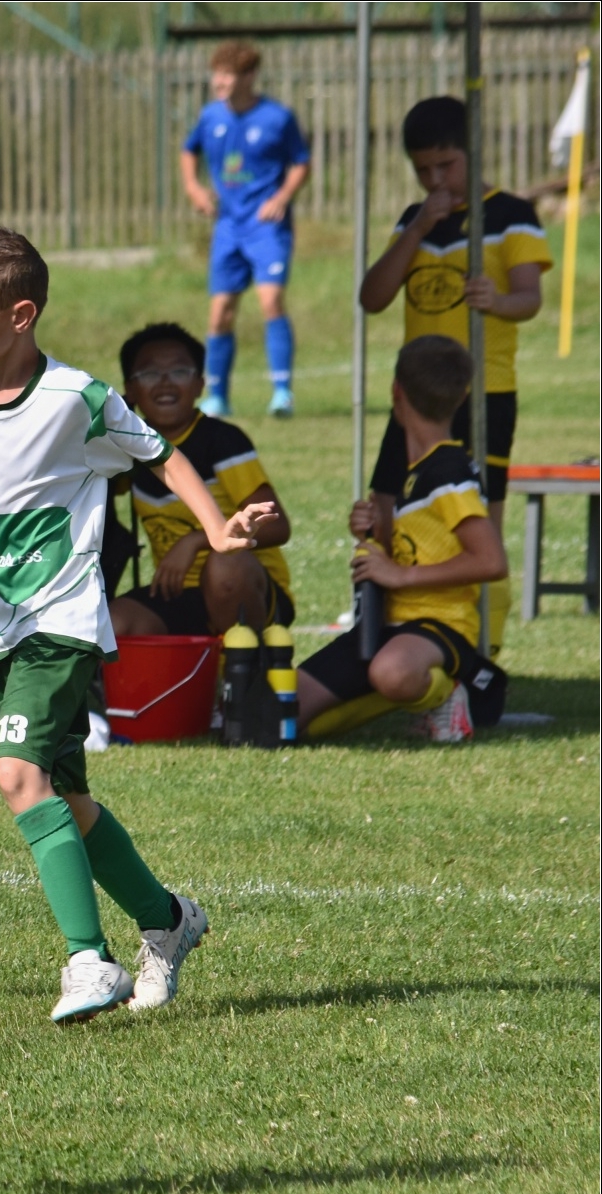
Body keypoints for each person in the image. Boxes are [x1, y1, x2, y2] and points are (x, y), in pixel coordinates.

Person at [0, 229, 275, 1026]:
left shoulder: (76, 398)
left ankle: (87, 960)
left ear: (21, 315)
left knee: (15, 774)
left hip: (59, 618)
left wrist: (216, 530)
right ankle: (168, 920)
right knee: (66, 800)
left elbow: (162, 455)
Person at [360, 95, 550, 652]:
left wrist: (498, 300)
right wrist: (418, 227)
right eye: (423, 170)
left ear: (474, 152)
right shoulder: (414, 221)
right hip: (414, 399)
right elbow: (373, 297)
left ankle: (482, 649)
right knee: (386, 507)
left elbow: (530, 298)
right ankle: (388, 627)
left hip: (483, 395)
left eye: (446, 165)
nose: (435, 179)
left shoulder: (510, 215)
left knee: (478, 520)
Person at [300, 337, 509, 743]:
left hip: (440, 625)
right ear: (463, 397)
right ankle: (389, 691)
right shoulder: (416, 470)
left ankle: (449, 692)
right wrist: (372, 533)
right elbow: (413, 550)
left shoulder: (448, 473)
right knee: (282, 716)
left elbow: (490, 561)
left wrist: (400, 576)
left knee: (392, 674)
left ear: (396, 391)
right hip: (387, 624)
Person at [109, 322, 295, 636]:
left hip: (248, 586)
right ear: (130, 389)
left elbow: (277, 526)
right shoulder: (129, 448)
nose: (165, 383)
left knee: (225, 565)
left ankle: (242, 665)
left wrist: (196, 541)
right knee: (113, 624)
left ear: (200, 384)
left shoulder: (223, 441)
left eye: (179, 372)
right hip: (176, 592)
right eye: (150, 374)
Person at [181, 40, 310, 420]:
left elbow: (301, 162)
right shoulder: (210, 117)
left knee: (271, 301)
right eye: (216, 74)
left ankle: (282, 393)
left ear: (250, 76)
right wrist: (193, 187)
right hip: (228, 226)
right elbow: (189, 150)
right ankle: (217, 397)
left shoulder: (276, 118)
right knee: (220, 311)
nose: (219, 82)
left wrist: (283, 195)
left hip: (266, 227)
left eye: (228, 75)